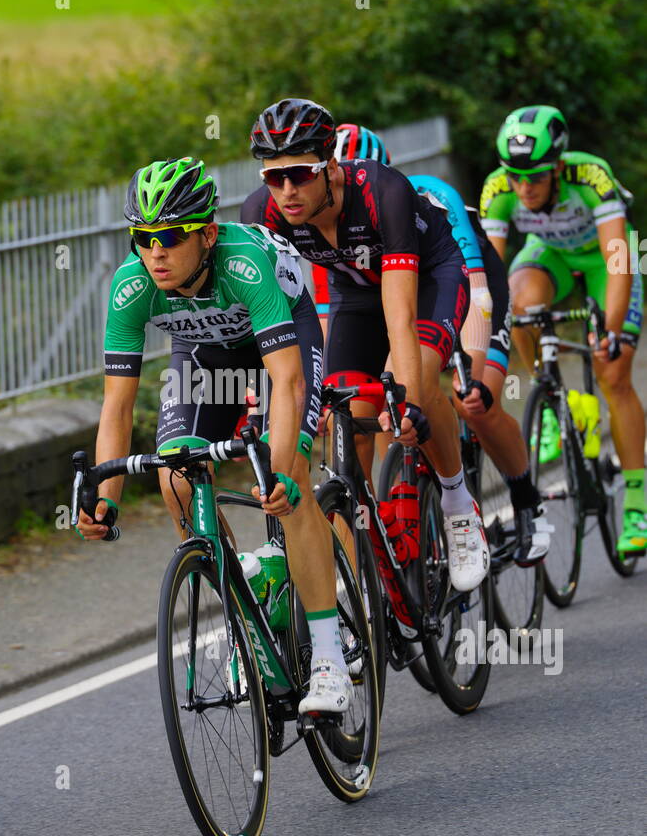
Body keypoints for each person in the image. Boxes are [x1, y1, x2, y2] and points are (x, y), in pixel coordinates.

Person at [77, 155, 357, 716]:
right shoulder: (133, 285)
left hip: (283, 344)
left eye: (172, 236)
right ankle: (243, 611)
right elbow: (118, 404)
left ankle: (329, 657)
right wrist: (104, 502)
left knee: (288, 487)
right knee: (174, 476)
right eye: (143, 237)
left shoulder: (246, 262)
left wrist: (280, 470)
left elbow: (286, 379)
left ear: (206, 233)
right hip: (204, 357)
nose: (155, 252)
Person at [241, 97, 489, 592]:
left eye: (299, 174)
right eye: (274, 177)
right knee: (346, 417)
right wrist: (257, 397)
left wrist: (409, 400)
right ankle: (368, 569)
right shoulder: (262, 214)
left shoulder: (381, 190)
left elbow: (399, 309)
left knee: (412, 369)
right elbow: (268, 319)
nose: (287, 191)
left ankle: (459, 504)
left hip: (428, 280)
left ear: (330, 164)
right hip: (356, 294)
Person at [481, 105, 647, 557]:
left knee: (613, 370)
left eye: (534, 176)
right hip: (550, 252)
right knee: (517, 301)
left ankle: (637, 501)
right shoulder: (498, 188)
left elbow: (618, 258)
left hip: (605, 258)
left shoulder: (591, 176)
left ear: (557, 166)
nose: (523, 186)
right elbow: (489, 274)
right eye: (514, 175)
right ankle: (555, 398)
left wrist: (609, 333)